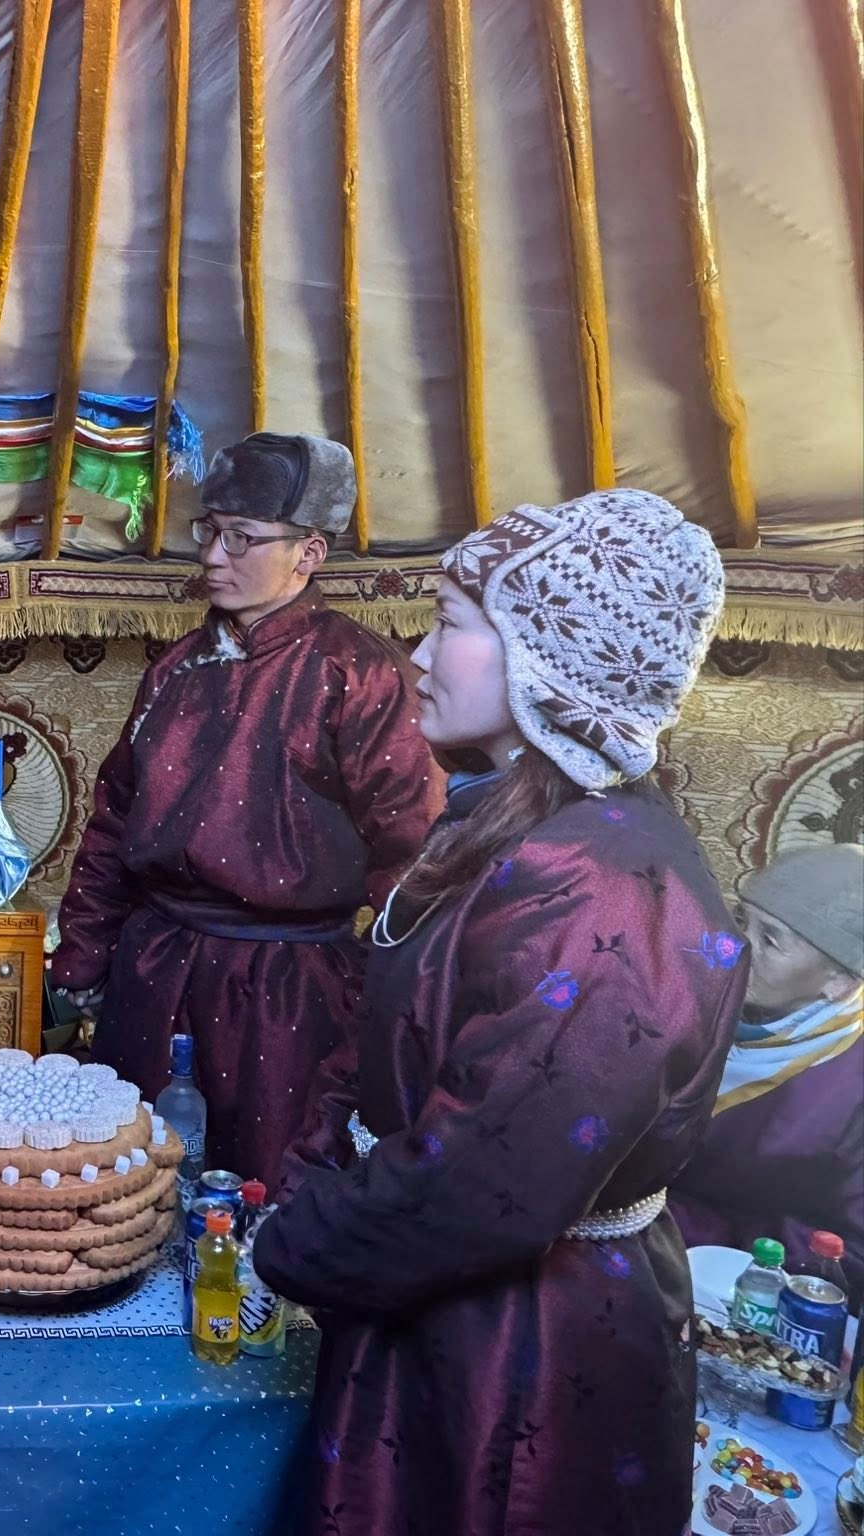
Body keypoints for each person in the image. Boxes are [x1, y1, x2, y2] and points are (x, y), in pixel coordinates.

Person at [252, 488, 741, 1536]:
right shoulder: (512, 830)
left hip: (520, 1349)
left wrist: (293, 1241)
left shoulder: (604, 888)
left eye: (451, 624)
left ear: (555, 659)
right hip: (444, 1301)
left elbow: (484, 1180)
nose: (418, 656)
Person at [51, 431, 443, 1181]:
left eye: (242, 537)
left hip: (289, 992)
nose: (211, 556)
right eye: (208, 531)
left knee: (269, 1190)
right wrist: (83, 956)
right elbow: (113, 821)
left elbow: (414, 855)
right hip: (155, 971)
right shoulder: (176, 668)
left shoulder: (362, 673)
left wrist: (395, 1004)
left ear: (309, 552)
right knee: (135, 1187)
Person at [672, 842, 863, 1299]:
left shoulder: (852, 1082)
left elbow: (852, 1253)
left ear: (839, 982)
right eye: (740, 919)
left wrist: (686, 1228)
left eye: (770, 940)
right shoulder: (681, 989)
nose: (734, 946)